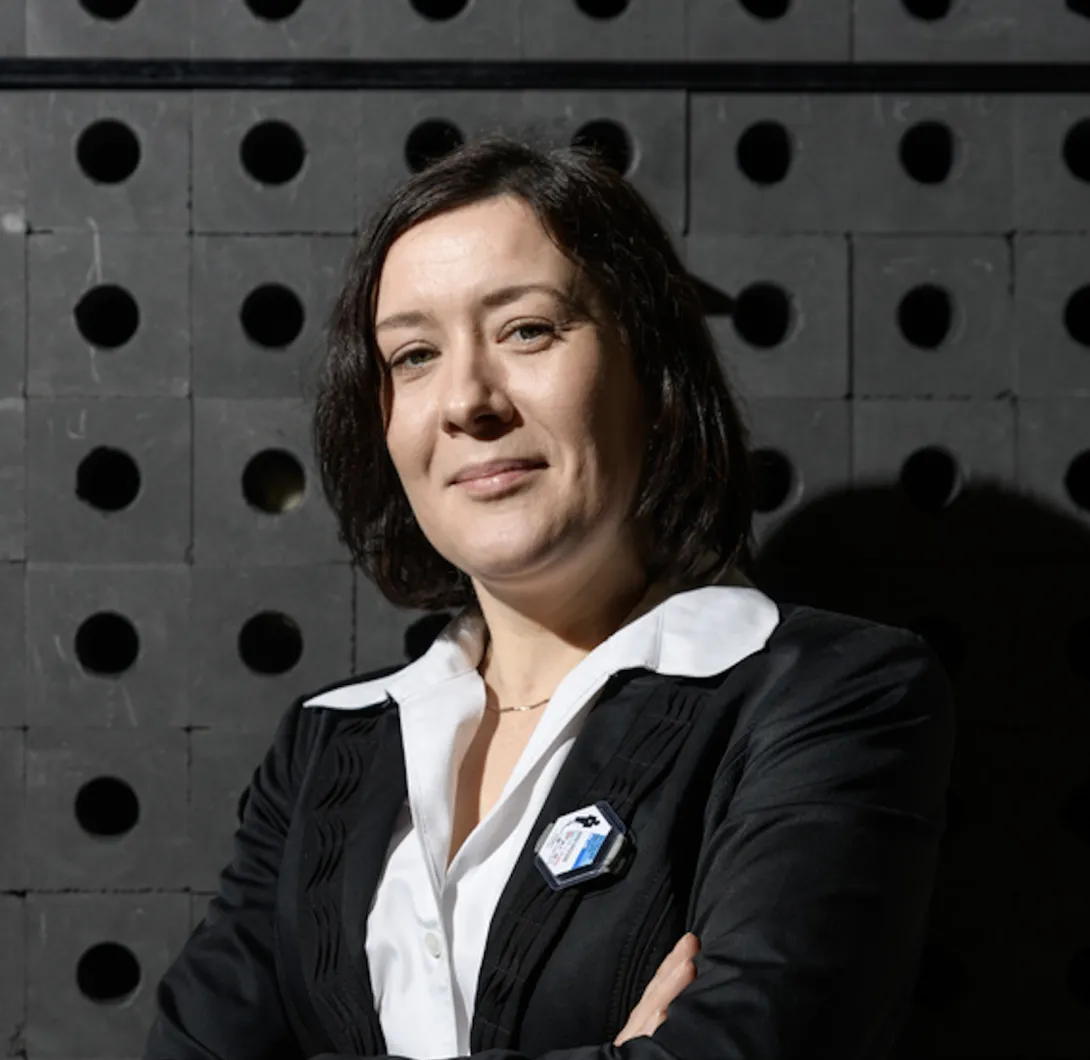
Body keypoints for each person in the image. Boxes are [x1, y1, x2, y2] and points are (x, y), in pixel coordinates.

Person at [143, 134, 956, 1060]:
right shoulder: (329, 740)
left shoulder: (831, 695)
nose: (466, 400)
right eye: (412, 355)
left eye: (526, 331)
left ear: (653, 377)